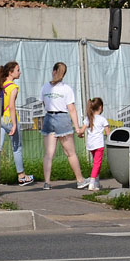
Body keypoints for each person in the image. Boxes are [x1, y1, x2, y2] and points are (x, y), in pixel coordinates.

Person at [41, 61, 88, 190]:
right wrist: (77, 127)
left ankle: (47, 183)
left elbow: (44, 104)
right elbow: (71, 109)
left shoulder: (45, 87)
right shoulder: (66, 89)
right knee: (71, 153)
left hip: (48, 118)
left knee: (49, 154)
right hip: (62, 119)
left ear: (53, 71)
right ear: (64, 74)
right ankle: (80, 180)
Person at [0, 61, 34, 186]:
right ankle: (22, 176)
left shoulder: (0, 85)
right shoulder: (13, 87)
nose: (20, 72)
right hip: (9, 119)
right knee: (17, 148)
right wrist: (14, 125)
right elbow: (12, 107)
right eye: (18, 70)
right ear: (11, 72)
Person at [82, 97, 109, 191]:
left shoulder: (88, 118)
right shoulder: (102, 119)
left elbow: (81, 131)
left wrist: (80, 133)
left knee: (97, 163)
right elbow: (108, 133)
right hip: (99, 145)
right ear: (101, 107)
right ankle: (92, 184)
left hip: (91, 145)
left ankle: (97, 183)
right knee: (97, 164)